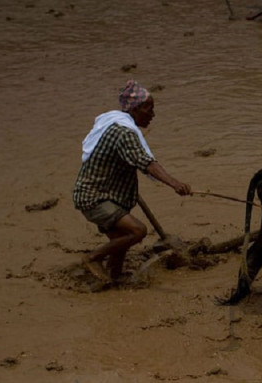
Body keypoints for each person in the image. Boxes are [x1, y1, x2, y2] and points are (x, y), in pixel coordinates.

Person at [73, 80, 192, 283]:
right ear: (135, 109)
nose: (152, 114)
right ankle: (93, 258)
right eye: (149, 109)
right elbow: (146, 163)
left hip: (105, 195)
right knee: (138, 231)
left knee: (120, 239)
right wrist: (175, 183)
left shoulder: (115, 123)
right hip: (95, 198)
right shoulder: (124, 132)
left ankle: (113, 277)